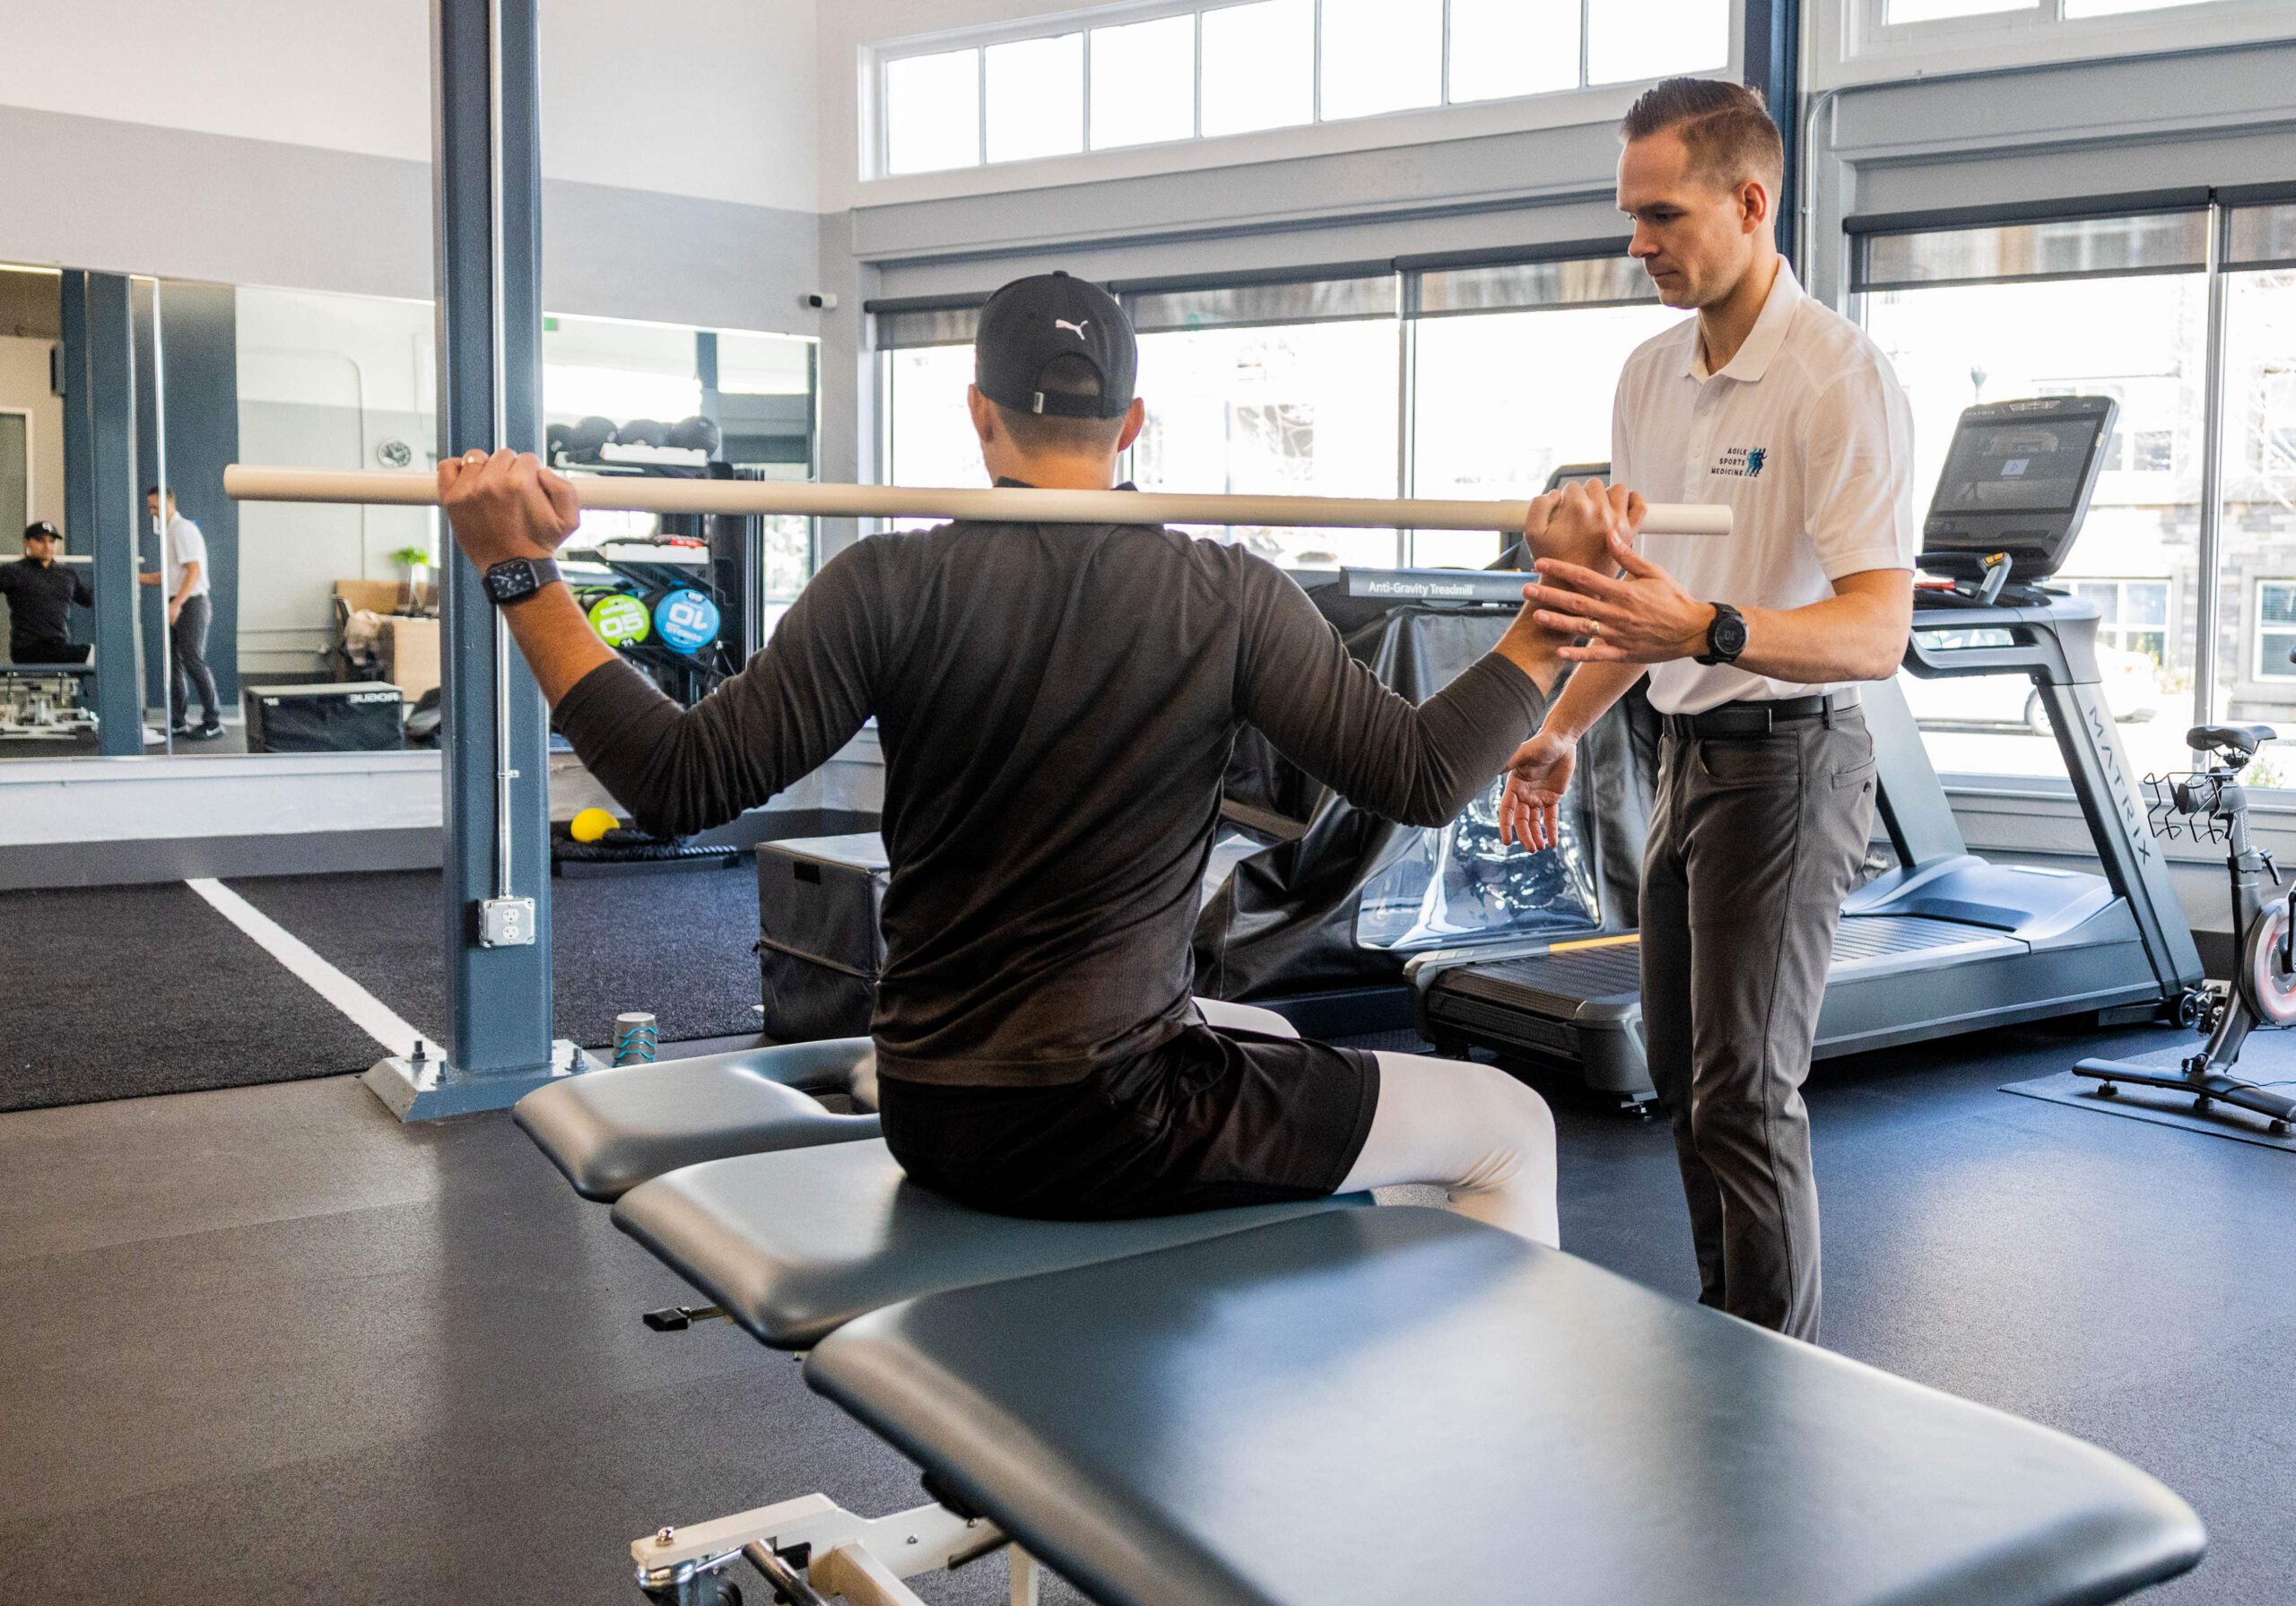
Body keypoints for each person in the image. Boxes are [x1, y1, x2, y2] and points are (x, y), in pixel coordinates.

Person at [436, 271, 1643, 1248]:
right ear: (1129, 424)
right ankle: (1492, 1439)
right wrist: (1547, 622)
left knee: (1268, 1042)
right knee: (1505, 1124)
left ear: (979, 414)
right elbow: (1425, 775)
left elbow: (674, 778)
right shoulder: (1230, 594)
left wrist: (520, 572)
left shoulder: (884, 583)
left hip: (932, 1100)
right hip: (1113, 1117)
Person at [1500, 77, 1916, 1342]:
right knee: (1687, 1079)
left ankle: (1776, 1382)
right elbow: (1645, 605)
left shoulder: (1837, 379)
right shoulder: (1648, 374)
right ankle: (1726, 1338)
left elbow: (1875, 630)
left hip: (1793, 763)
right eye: (1631, 215)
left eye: (1663, 215)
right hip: (1681, 752)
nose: (1639, 243)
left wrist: (1715, 629)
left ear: (1750, 201)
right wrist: (1563, 724)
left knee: (1744, 1089)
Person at [139, 486, 224, 740]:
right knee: (173, 663)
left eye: (156, 507)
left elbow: (194, 571)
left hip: (192, 603)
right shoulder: (169, 532)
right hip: (179, 599)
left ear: (169, 502)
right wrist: (136, 577)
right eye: (150, 508)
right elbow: (170, 577)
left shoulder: (184, 529)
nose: (152, 512)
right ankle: (177, 721)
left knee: (193, 660)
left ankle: (213, 721)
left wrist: (177, 603)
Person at [1, 522, 93, 665]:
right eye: (40, 540)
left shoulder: (67, 573)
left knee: (99, 655)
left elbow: (90, 599)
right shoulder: (13, 571)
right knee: (92, 655)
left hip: (58, 646)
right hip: (27, 648)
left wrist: (126, 579)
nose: (47, 546)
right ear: (27, 543)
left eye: (51, 541)